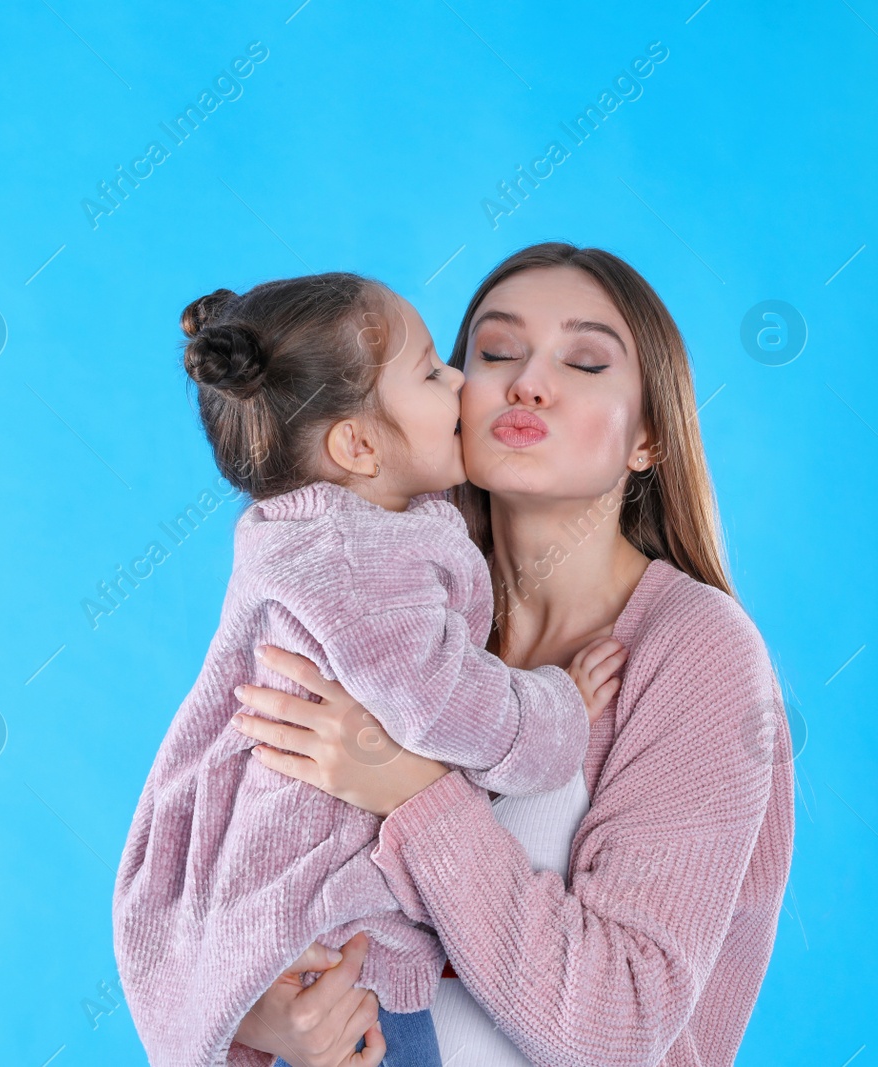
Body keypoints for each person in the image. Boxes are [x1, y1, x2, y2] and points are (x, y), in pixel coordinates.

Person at [229, 244, 795, 1066]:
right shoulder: (374, 614)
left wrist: (409, 787)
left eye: (587, 360)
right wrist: (258, 1018)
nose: (529, 381)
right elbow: (221, 879)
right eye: (495, 352)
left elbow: (616, 1023)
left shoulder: (699, 654)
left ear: (648, 438)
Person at [113, 272, 628, 1067]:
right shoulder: (358, 558)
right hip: (345, 960)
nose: (460, 379)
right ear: (357, 446)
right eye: (432, 371)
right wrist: (562, 706)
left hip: (312, 951)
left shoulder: (328, 542)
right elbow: (448, 706)